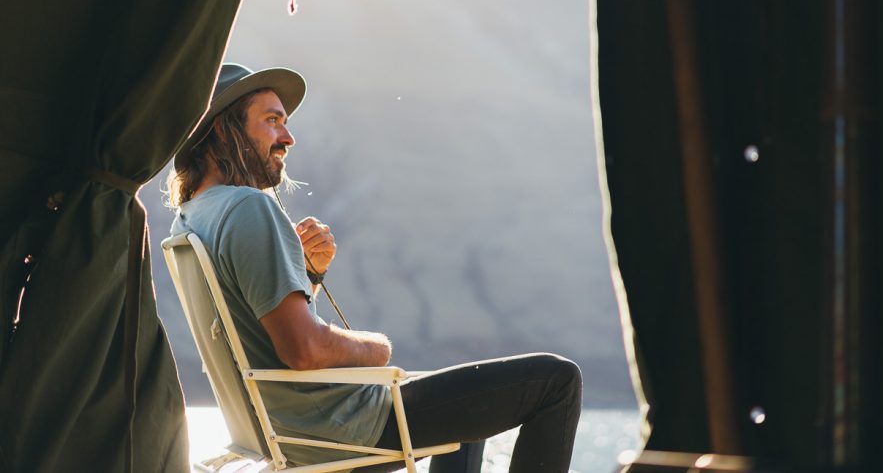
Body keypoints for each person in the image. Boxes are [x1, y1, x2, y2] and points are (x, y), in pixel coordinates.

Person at [167, 63, 582, 472]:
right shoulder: (247, 206)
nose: (288, 137)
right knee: (557, 380)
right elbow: (304, 351)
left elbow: (260, 336)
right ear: (223, 129)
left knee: (467, 416)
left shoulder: (192, 216)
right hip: (339, 428)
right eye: (272, 120)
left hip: (289, 427)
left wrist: (308, 275)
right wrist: (376, 348)